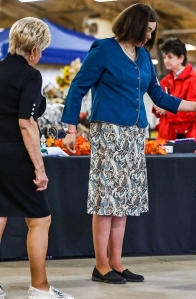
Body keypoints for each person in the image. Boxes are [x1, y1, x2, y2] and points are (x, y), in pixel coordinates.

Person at [61, 3, 196, 285]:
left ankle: (116, 262)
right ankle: (101, 265)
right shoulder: (103, 50)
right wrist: (70, 128)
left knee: (124, 202)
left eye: (153, 33)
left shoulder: (143, 57)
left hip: (133, 135)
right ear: (133, 25)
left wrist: (195, 106)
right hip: (108, 132)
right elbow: (77, 87)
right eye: (147, 30)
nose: (149, 37)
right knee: (106, 201)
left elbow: (159, 96)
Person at [0, 18, 73, 299]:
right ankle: (40, 288)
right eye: (40, 51)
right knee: (39, 220)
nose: (40, 56)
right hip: (15, 154)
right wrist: (39, 169)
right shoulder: (30, 75)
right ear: (32, 51)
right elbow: (26, 123)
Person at [152, 38, 196, 141]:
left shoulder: (194, 82)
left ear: (181, 58)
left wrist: (167, 110)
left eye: (170, 57)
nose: (166, 61)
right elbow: (157, 111)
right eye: (164, 57)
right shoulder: (164, 82)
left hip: (189, 138)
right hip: (166, 137)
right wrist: (157, 106)